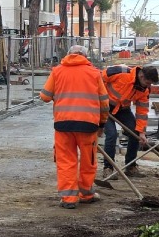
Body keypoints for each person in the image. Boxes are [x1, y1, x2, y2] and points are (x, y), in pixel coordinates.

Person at [39, 45, 108, 209]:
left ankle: (69, 199)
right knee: (88, 161)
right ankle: (86, 194)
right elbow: (104, 103)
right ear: (85, 56)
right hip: (88, 125)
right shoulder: (94, 73)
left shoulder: (57, 71)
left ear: (68, 55)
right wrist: (102, 124)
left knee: (66, 161)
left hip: (63, 125)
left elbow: (44, 97)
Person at [102, 64, 159, 176]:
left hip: (123, 109)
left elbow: (142, 112)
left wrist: (142, 132)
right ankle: (108, 168)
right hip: (104, 108)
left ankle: (131, 166)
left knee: (135, 134)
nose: (149, 86)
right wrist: (97, 100)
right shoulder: (119, 72)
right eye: (148, 82)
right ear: (142, 76)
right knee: (112, 135)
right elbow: (97, 79)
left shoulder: (144, 90)